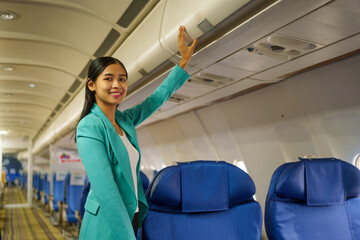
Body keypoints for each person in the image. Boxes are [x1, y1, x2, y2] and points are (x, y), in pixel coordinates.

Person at [75, 26, 198, 240]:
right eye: (108, 78)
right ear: (92, 84)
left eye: (122, 79)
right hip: (105, 223)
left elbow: (156, 99)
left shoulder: (124, 120)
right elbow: (106, 190)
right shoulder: (89, 127)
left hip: (131, 215)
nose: (117, 84)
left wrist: (183, 62)